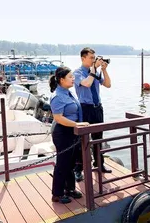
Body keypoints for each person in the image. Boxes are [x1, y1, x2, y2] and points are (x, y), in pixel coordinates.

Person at [49, 66, 89, 204]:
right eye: (70, 77)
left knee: (70, 162)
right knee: (62, 163)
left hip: (72, 132)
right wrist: (76, 124)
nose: (73, 79)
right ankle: (57, 194)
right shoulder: (57, 96)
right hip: (62, 132)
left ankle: (70, 189)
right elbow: (58, 118)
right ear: (61, 80)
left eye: (73, 76)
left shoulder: (68, 93)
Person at [73, 47, 112, 181]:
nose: (93, 60)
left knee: (98, 138)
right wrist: (94, 70)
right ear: (83, 58)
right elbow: (87, 83)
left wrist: (104, 70)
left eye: (94, 58)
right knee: (81, 140)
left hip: (97, 108)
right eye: (91, 58)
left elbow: (108, 84)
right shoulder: (78, 73)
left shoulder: (95, 72)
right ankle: (78, 169)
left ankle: (99, 164)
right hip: (85, 108)